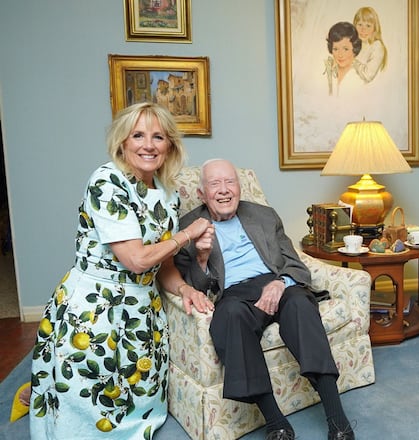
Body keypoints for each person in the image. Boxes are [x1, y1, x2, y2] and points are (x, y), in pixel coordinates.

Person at [27, 102, 213, 438]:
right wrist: (189, 233)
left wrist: (187, 290)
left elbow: (163, 266)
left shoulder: (168, 193)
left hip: (142, 311)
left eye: (158, 136)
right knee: (87, 402)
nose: (148, 145)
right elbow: (137, 259)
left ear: (169, 144)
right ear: (122, 142)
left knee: (136, 404)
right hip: (96, 308)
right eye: (138, 135)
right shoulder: (106, 181)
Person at [172, 159, 355, 440]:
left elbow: (297, 265)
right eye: (214, 184)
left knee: (300, 306)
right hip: (234, 294)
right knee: (230, 316)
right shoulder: (188, 227)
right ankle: (276, 422)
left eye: (229, 182)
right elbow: (197, 287)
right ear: (201, 194)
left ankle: (338, 421)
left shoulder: (264, 216)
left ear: (239, 187)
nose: (223, 190)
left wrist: (280, 283)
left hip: (277, 283)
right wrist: (202, 257)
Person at [324, 21, 364, 97]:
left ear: (355, 49)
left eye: (345, 49)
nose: (340, 55)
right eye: (335, 49)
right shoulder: (329, 73)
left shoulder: (359, 77)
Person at [352, 6, 388, 83]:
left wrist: (352, 62)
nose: (363, 29)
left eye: (368, 26)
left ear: (375, 28)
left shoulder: (377, 46)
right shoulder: (355, 44)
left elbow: (368, 75)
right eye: (360, 24)